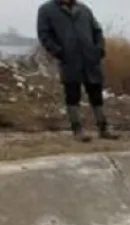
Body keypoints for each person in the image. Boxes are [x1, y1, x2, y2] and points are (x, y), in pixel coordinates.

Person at [36, 0, 114, 142]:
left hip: (90, 58)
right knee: (72, 94)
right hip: (69, 59)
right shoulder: (47, 10)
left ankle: (104, 128)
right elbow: (44, 35)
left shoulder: (84, 9)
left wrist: (99, 49)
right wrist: (59, 52)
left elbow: (97, 31)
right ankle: (77, 130)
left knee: (96, 93)